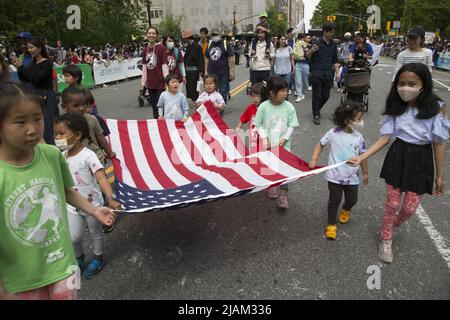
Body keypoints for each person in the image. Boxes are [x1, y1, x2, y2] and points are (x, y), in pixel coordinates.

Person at [0, 82, 115, 300]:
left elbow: (66, 190)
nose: (32, 129)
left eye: (37, 118)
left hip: (63, 267)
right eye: (20, 122)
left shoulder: (51, 154)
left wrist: (94, 210)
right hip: (20, 282)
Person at [348, 63, 449, 263]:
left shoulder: (437, 107)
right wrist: (362, 157)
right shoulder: (395, 106)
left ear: (424, 84)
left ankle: (393, 223)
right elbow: (384, 138)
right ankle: (386, 238)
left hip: (422, 159)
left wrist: (440, 176)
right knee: (392, 203)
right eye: (402, 83)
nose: (406, 87)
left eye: (412, 83)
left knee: (410, 208)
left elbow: (439, 143)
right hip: (398, 155)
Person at [54, 113, 120, 279]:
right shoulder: (61, 157)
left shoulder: (88, 156)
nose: (57, 138)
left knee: (96, 233)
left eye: (62, 133)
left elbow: (102, 178)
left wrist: (110, 198)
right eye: (56, 134)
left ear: (77, 135)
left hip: (94, 206)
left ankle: (98, 257)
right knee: (74, 236)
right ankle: (78, 257)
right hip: (72, 206)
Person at [309, 100, 369, 240]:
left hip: (352, 177)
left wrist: (365, 172)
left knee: (352, 199)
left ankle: (346, 208)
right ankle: (331, 225)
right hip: (334, 176)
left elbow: (363, 156)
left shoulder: (358, 137)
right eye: (358, 118)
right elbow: (321, 144)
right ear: (347, 120)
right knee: (334, 200)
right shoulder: (333, 133)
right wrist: (314, 159)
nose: (361, 121)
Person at [253, 76, 299, 209]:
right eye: (282, 91)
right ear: (272, 93)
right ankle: (271, 186)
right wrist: (264, 138)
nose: (286, 93)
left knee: (284, 171)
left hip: (284, 147)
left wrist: (285, 138)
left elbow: (292, 125)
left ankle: (283, 196)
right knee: (270, 169)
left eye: (286, 90)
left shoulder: (289, 107)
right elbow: (259, 124)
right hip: (268, 147)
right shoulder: (263, 107)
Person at [12, 37, 58, 144]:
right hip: (35, 96)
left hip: (46, 96)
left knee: (48, 125)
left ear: (39, 48)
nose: (29, 50)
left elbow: (36, 79)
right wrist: (19, 68)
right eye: (29, 48)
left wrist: (22, 67)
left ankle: (52, 148)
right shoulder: (33, 62)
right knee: (36, 124)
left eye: (31, 48)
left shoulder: (47, 63)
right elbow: (26, 79)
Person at [61, 87, 114, 164]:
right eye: (76, 106)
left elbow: (101, 138)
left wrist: (110, 153)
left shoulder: (92, 119)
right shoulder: (62, 124)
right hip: (74, 162)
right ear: (64, 107)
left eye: (83, 104)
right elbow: (61, 144)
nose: (82, 108)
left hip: (96, 159)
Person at [307, 23, 340, 125]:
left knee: (326, 96)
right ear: (325, 32)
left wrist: (337, 73)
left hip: (328, 74)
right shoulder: (316, 42)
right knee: (317, 95)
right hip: (316, 73)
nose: (332, 34)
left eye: (333, 32)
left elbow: (335, 60)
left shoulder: (334, 44)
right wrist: (312, 50)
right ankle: (316, 114)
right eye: (331, 32)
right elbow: (307, 56)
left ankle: (317, 109)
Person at [141, 26, 169, 118]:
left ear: (156, 36)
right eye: (149, 33)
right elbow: (144, 66)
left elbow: (164, 65)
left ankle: (164, 126)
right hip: (150, 83)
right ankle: (157, 126)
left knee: (160, 106)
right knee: (154, 107)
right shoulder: (145, 50)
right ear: (146, 35)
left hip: (161, 82)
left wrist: (167, 81)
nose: (151, 35)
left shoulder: (161, 48)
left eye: (153, 33)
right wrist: (144, 81)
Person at [205, 29, 235, 107]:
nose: (214, 37)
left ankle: (221, 107)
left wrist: (231, 71)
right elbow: (206, 59)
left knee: (222, 91)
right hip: (212, 73)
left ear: (219, 35)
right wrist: (205, 71)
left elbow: (231, 57)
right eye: (213, 35)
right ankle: (213, 107)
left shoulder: (225, 44)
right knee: (212, 91)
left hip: (223, 73)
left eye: (216, 35)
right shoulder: (210, 44)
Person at [235, 82, 268, 153]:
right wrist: (238, 127)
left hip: (264, 137)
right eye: (253, 96)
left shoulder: (266, 108)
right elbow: (243, 119)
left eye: (258, 96)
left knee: (263, 155)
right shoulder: (250, 108)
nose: (255, 99)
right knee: (254, 154)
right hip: (253, 137)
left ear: (263, 96)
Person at [183, 30, 204, 102]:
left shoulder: (197, 46)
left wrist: (201, 70)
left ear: (189, 38)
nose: (185, 40)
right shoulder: (188, 46)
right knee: (189, 88)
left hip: (194, 71)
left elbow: (200, 58)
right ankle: (194, 100)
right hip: (188, 71)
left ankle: (196, 101)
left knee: (194, 88)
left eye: (185, 39)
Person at [273, 34, 294, 100]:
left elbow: (291, 59)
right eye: (282, 39)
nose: (283, 41)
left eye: (284, 39)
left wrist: (294, 67)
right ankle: (278, 100)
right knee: (278, 87)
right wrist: (270, 69)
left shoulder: (289, 48)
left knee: (286, 87)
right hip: (277, 71)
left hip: (287, 71)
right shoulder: (275, 49)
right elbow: (273, 61)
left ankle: (285, 100)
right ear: (279, 40)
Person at [293, 33, 311, 102]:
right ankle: (299, 95)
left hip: (306, 64)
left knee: (305, 81)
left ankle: (303, 92)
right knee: (298, 81)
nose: (302, 40)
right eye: (301, 38)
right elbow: (294, 56)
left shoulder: (309, 46)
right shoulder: (297, 45)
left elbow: (310, 57)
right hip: (298, 64)